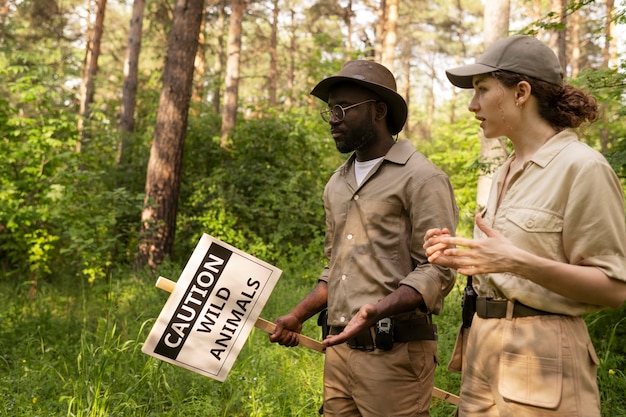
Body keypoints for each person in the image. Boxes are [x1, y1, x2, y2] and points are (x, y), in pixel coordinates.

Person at [424, 35, 626, 417]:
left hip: (544, 357)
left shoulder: (583, 167)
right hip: (481, 349)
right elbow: (511, 258)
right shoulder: (505, 171)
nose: (472, 105)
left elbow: (614, 289)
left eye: (482, 89)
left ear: (521, 92)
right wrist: (465, 255)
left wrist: (515, 261)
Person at [269, 60, 459, 416]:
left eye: (343, 108)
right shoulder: (337, 184)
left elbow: (439, 270)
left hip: (395, 357)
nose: (334, 119)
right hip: (338, 354)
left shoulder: (422, 178)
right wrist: (298, 314)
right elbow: (337, 268)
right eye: (330, 111)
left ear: (379, 110)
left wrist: (376, 310)